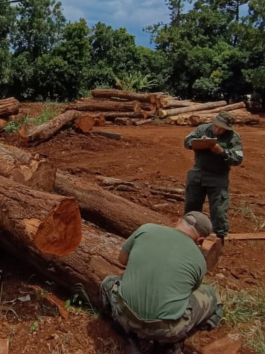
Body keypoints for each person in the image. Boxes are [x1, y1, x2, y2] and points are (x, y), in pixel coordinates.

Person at [101, 212, 223, 354]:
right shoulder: (199, 260)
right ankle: (170, 344)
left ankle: (127, 335)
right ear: (200, 240)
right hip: (167, 330)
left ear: (178, 221)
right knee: (214, 301)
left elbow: (122, 260)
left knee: (109, 282)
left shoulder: (147, 229)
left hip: (125, 316)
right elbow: (190, 291)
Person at [183, 111, 243, 243]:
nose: (217, 129)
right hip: (198, 173)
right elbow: (187, 141)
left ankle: (218, 239)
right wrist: (197, 143)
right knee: (191, 206)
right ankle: (187, 235)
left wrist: (222, 152)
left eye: (221, 128)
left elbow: (238, 159)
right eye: (216, 126)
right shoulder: (203, 129)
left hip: (218, 177)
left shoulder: (233, 137)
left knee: (218, 210)